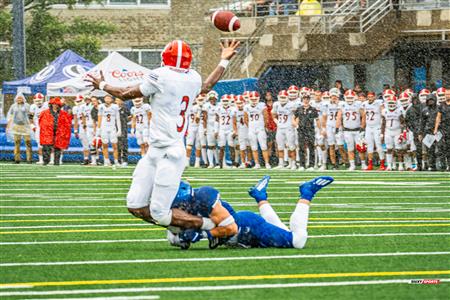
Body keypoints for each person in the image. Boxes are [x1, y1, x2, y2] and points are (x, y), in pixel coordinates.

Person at [86, 39, 240, 230]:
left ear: (165, 58)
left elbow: (125, 94)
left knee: (159, 212)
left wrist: (102, 85)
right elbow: (208, 85)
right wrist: (223, 61)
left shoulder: (161, 75)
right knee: (135, 205)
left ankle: (212, 227)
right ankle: (186, 227)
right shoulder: (192, 77)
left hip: (171, 152)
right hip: (155, 152)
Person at [174, 175, 334, 250]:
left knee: (297, 241)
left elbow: (231, 228)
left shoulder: (204, 196)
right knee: (284, 232)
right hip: (244, 232)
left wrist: (202, 235)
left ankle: (307, 192)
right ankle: (260, 196)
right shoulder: (182, 207)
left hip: (248, 228)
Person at [336, 89, 366, 171]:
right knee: (350, 149)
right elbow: (339, 117)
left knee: (361, 148)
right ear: (345, 97)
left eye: (351, 98)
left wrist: (362, 127)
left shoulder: (358, 104)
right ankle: (352, 165)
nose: (349, 99)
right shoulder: (342, 105)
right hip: (347, 130)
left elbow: (363, 116)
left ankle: (363, 164)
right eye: (348, 98)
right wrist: (337, 128)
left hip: (357, 130)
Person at [38, 97, 72, 166]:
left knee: (58, 147)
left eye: (56, 104)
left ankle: (56, 161)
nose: (55, 105)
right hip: (48, 132)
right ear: (51, 104)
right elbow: (41, 122)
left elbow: (67, 123)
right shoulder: (45, 113)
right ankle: (45, 161)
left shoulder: (63, 113)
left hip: (59, 132)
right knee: (46, 147)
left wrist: (63, 131)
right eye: (53, 104)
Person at [244, 91, 271, 169]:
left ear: (258, 99)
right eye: (252, 99)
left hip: (260, 128)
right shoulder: (247, 107)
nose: (254, 101)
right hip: (251, 129)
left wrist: (264, 126)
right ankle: (257, 163)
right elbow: (245, 119)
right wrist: (250, 127)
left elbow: (266, 117)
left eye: (255, 99)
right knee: (254, 147)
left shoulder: (262, 105)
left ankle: (267, 163)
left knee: (263, 146)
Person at [294, 93, 319, 170]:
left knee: (311, 147)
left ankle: (311, 165)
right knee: (301, 147)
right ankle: (302, 164)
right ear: (302, 99)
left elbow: (317, 120)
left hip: (310, 129)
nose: (306, 100)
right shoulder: (299, 109)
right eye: (305, 98)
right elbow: (294, 118)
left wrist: (319, 129)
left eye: (307, 99)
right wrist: (296, 125)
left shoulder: (313, 109)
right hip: (301, 130)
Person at [272, 90, 296, 169]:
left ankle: (293, 163)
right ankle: (281, 163)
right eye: (281, 97)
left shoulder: (291, 104)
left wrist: (294, 122)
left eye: (283, 97)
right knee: (280, 146)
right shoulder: (276, 104)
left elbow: (296, 114)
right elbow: (273, 114)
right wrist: (276, 122)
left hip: (289, 127)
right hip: (280, 128)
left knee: (291, 146)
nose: (282, 99)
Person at [362, 91, 385, 170]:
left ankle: (382, 164)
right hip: (368, 127)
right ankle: (370, 164)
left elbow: (383, 112)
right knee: (369, 146)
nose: (370, 98)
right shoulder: (365, 104)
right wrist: (363, 127)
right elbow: (364, 115)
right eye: (369, 97)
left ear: (374, 97)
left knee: (379, 146)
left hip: (377, 127)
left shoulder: (378, 103)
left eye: (372, 96)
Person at [381, 95, 406, 171]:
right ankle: (389, 165)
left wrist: (403, 132)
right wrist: (382, 133)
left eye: (393, 102)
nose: (391, 104)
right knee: (389, 149)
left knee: (399, 149)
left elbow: (403, 122)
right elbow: (383, 123)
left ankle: (401, 165)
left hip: (397, 131)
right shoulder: (385, 111)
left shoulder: (399, 110)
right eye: (390, 103)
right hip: (388, 131)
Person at [6, 93, 32, 164]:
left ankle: (29, 159)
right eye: (18, 98)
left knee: (28, 142)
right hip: (16, 126)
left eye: (21, 98)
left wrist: (32, 124)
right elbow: (10, 115)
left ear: (23, 99)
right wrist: (9, 124)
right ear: (16, 99)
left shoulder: (27, 105)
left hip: (26, 126)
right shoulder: (13, 106)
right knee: (17, 143)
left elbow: (31, 114)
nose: (19, 99)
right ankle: (17, 159)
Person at [97, 95, 121, 167]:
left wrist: (119, 129)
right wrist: (98, 129)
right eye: (106, 98)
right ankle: (106, 161)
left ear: (111, 99)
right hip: (104, 127)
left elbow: (118, 118)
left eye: (109, 98)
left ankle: (116, 161)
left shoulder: (115, 107)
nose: (107, 99)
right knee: (105, 144)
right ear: (104, 99)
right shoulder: (101, 106)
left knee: (114, 145)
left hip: (112, 128)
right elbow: (99, 118)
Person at [215, 94, 236, 168]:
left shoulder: (233, 109)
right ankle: (220, 165)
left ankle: (233, 164)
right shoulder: (218, 109)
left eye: (227, 101)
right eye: (224, 101)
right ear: (221, 101)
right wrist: (216, 131)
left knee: (231, 146)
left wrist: (234, 131)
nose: (225, 102)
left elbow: (234, 121)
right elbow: (217, 120)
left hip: (230, 130)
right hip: (222, 130)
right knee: (221, 147)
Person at [421, 94, 439, 171]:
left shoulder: (440, 109)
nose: (430, 102)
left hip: (439, 131)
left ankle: (441, 164)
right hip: (428, 132)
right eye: (429, 100)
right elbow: (422, 122)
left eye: (432, 100)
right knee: (429, 150)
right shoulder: (424, 110)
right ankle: (431, 165)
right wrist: (420, 132)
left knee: (441, 149)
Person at [186, 94, 204, 167]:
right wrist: (199, 111)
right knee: (197, 146)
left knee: (191, 145)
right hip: (196, 126)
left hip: (192, 127)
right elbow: (197, 120)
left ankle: (188, 162)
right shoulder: (197, 107)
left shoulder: (189, 107)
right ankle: (197, 162)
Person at [233, 95, 251, 168]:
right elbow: (234, 122)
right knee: (242, 147)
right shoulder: (234, 110)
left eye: (240, 103)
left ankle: (249, 161)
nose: (239, 104)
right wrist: (235, 131)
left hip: (248, 129)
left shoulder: (247, 109)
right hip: (240, 130)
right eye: (237, 103)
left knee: (249, 147)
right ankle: (243, 162)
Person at [29, 93, 47, 165]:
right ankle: (41, 160)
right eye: (36, 100)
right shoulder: (33, 106)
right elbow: (30, 117)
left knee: (49, 143)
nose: (38, 102)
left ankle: (51, 159)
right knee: (39, 144)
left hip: (47, 127)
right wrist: (32, 125)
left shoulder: (47, 105)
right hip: (38, 127)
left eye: (40, 100)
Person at [434, 87, 450, 171]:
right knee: (442, 147)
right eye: (446, 94)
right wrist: (435, 129)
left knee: (449, 147)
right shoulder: (441, 105)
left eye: (449, 94)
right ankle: (443, 165)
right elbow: (438, 117)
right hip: (443, 128)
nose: (447, 96)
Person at [73, 94, 90, 165]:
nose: (79, 102)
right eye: (77, 101)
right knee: (85, 144)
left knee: (94, 143)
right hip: (82, 127)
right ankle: (86, 159)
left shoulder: (89, 106)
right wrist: (76, 130)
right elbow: (76, 119)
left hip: (90, 126)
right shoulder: (75, 108)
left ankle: (96, 159)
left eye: (80, 100)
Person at [203, 91, 219, 168]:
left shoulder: (219, 105)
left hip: (218, 126)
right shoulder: (206, 106)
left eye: (214, 98)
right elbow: (205, 118)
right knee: (210, 145)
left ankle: (218, 162)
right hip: (210, 126)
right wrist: (205, 128)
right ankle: (211, 163)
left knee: (219, 145)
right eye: (211, 99)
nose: (212, 100)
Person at [116, 97, 131, 167]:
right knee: (117, 145)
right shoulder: (114, 108)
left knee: (124, 144)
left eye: (120, 100)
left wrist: (125, 121)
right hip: (115, 128)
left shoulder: (125, 108)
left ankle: (125, 160)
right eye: (117, 100)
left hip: (123, 128)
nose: (118, 101)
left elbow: (130, 116)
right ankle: (118, 160)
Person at [264, 91, 278, 164]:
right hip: (268, 125)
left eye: (269, 95)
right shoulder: (264, 106)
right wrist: (265, 125)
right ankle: (269, 161)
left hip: (275, 124)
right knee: (269, 144)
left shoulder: (275, 104)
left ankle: (278, 160)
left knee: (277, 143)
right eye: (267, 95)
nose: (268, 97)